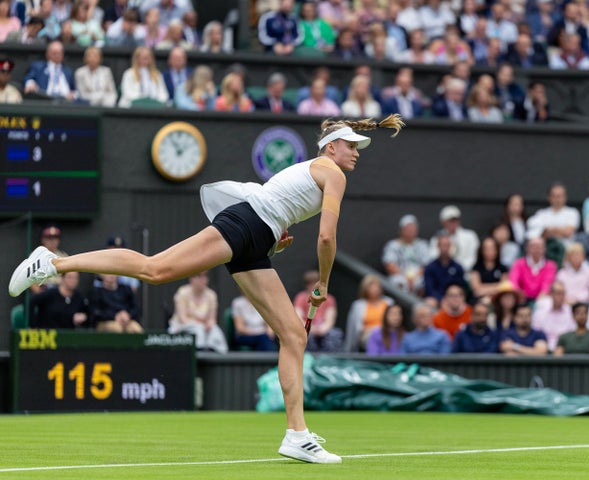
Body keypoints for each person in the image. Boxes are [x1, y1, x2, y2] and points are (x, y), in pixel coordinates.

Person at [10, 113, 406, 465]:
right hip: (246, 224)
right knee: (156, 269)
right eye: (352, 146)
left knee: (292, 336)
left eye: (358, 148)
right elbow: (325, 238)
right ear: (332, 146)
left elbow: (281, 208)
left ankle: (297, 435)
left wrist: (272, 240)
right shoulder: (332, 173)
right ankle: (54, 262)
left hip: (257, 236)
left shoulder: (317, 170)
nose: (356, 153)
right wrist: (322, 282)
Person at [168, 272, 228, 353]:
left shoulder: (211, 295)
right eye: (200, 277)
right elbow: (183, 319)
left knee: (215, 330)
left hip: (204, 328)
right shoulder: (182, 293)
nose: (203, 280)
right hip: (181, 327)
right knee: (198, 330)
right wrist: (202, 324)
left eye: (205, 276)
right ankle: (199, 354)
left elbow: (212, 319)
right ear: (191, 279)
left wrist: (209, 325)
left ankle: (215, 355)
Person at [293, 270, 342, 353]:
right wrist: (311, 328)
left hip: (324, 330)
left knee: (335, 335)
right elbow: (298, 317)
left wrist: (323, 329)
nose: (313, 286)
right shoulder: (300, 298)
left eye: (315, 282)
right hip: (307, 329)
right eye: (310, 283)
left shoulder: (329, 299)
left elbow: (330, 318)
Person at [344, 273, 394, 352]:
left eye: (376, 286)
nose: (374, 289)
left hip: (387, 333)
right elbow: (355, 329)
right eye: (371, 286)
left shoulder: (388, 302)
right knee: (375, 336)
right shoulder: (358, 305)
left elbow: (394, 322)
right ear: (365, 288)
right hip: (367, 335)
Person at [382, 214, 430, 295]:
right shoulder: (392, 245)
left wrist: (414, 277)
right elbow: (389, 265)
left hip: (418, 276)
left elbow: (427, 265)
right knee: (396, 282)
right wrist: (406, 277)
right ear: (401, 230)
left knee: (425, 282)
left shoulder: (423, 245)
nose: (411, 231)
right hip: (400, 275)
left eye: (413, 228)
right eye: (408, 228)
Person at [429, 205, 480, 274]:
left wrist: (457, 269)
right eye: (450, 220)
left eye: (455, 220)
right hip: (442, 274)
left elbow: (473, 258)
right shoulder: (436, 238)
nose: (453, 223)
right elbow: (433, 256)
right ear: (443, 222)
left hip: (465, 274)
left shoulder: (470, 236)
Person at [508, 236, 557, 302]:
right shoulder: (518, 264)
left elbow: (547, 285)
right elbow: (513, 281)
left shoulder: (550, 266)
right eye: (533, 246)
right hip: (520, 299)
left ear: (544, 249)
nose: (537, 249)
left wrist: (539, 301)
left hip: (542, 299)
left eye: (539, 247)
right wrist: (518, 293)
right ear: (527, 248)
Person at [531, 281, 576, 352]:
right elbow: (535, 332)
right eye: (558, 293)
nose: (561, 297)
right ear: (551, 294)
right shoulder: (540, 312)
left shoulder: (571, 313)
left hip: (565, 350)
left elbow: (573, 333)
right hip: (544, 350)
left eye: (563, 294)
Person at [423, 234, 466, 307]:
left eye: (447, 245)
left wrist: (452, 299)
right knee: (429, 302)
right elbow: (429, 289)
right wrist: (441, 299)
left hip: (454, 298)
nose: (445, 248)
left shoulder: (458, 267)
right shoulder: (430, 267)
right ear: (438, 246)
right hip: (437, 299)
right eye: (443, 245)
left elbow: (461, 287)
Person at [231, 287, 276, 352]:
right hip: (245, 336)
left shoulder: (262, 302)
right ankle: (268, 361)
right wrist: (259, 333)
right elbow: (240, 328)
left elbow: (268, 322)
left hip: (263, 335)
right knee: (264, 339)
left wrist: (270, 330)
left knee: (266, 339)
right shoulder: (237, 303)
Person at [469, 237, 508, 301]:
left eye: (492, 248)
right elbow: (477, 290)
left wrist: (484, 288)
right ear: (481, 250)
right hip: (479, 300)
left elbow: (504, 287)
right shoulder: (476, 268)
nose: (489, 251)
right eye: (486, 249)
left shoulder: (503, 268)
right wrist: (497, 286)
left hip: (498, 299)